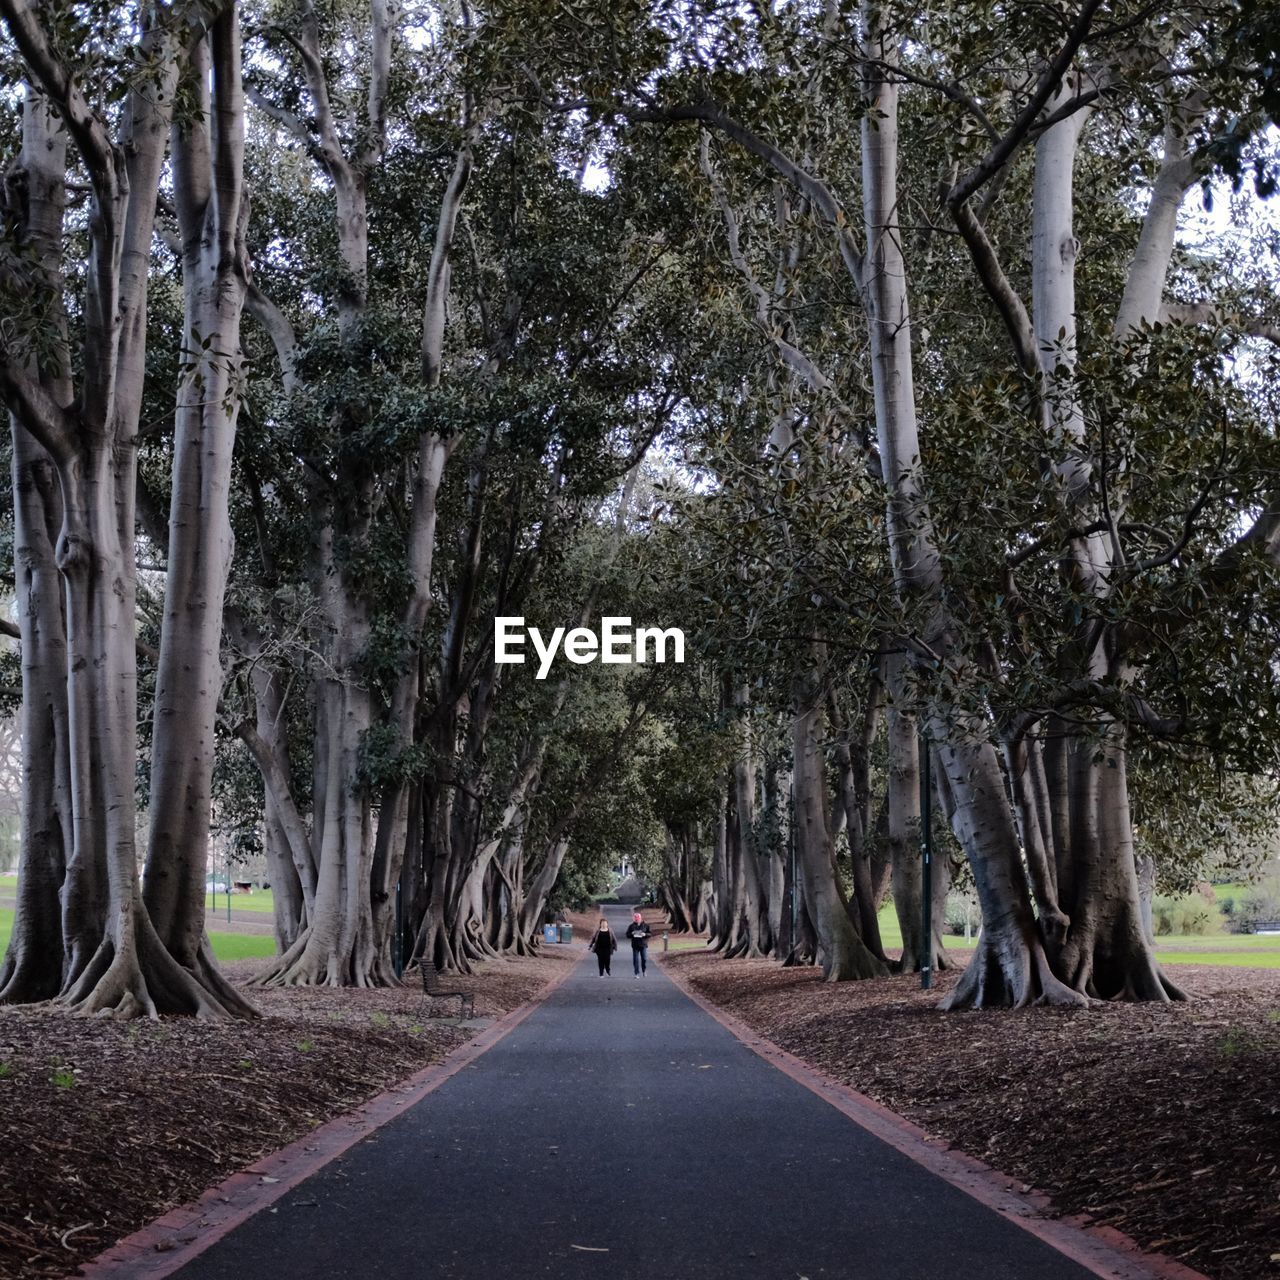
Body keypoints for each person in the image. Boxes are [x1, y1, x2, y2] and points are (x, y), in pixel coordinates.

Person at [625, 911, 651, 977]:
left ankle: (644, 970)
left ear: (641, 918)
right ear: (633, 918)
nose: (637, 919)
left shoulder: (646, 925)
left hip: (643, 945)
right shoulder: (631, 926)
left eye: (638, 918)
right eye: (635, 918)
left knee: (644, 959)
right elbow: (627, 935)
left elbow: (650, 934)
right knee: (635, 959)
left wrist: (645, 934)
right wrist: (632, 934)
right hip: (635, 945)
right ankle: (636, 973)